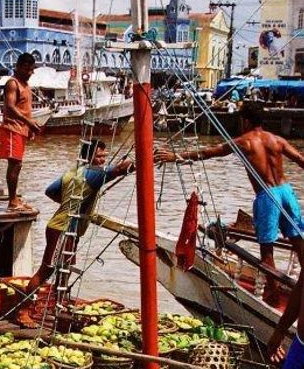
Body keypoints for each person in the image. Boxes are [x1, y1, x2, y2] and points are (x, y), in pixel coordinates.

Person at [156, 103, 304, 306]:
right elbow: (300, 159)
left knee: (266, 250)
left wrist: (175, 157)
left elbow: (209, 152)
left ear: (245, 120)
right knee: (298, 241)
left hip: (267, 195)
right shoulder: (277, 140)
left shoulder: (244, 142)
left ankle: (274, 295)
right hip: (286, 191)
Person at [28, 139, 135, 293]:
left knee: (66, 267)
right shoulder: (93, 174)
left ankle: (59, 300)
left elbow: (50, 191)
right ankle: (23, 310)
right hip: (62, 227)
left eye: (104, 156)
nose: (102, 160)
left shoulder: (73, 172)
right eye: (99, 156)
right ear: (88, 156)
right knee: (47, 269)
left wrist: (71, 202)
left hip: (65, 228)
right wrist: (147, 158)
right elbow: (120, 169)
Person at [0, 52, 41, 211]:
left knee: (18, 164)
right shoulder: (13, 83)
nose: (29, 73)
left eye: (31, 70)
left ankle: (14, 199)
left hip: (21, 129)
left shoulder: (26, 85)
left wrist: (29, 127)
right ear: (18, 67)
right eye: (26, 69)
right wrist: (28, 121)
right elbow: (10, 106)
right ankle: (12, 201)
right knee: (14, 164)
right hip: (11, 128)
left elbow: (25, 109)